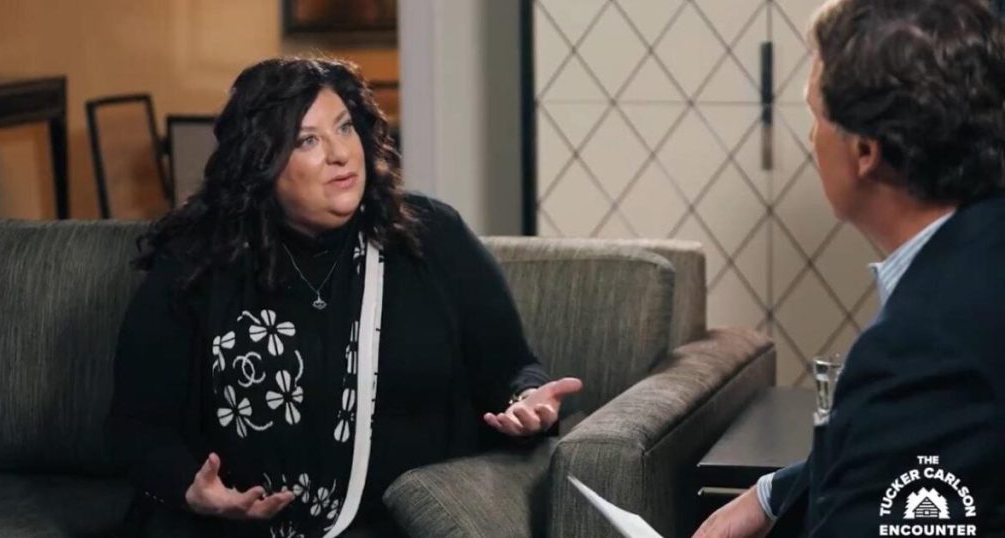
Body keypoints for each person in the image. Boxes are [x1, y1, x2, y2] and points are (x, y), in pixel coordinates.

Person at [105, 56, 582, 538]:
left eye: (344, 128)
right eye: (308, 140)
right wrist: (190, 489)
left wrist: (526, 401)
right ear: (260, 162)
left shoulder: (431, 236)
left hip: (394, 526)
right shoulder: (197, 261)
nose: (340, 154)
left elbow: (510, 366)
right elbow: (136, 425)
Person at [694, 0, 1005, 536]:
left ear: (865, 151)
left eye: (816, 117)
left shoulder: (923, 348)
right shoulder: (981, 255)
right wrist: (771, 495)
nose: (811, 139)